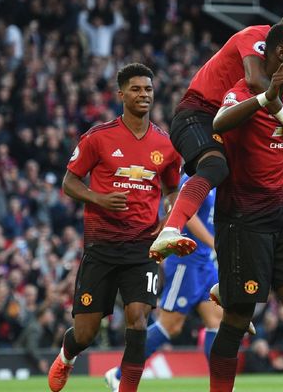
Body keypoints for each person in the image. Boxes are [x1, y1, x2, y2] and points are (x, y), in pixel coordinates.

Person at [149, 0, 283, 262]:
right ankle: (171, 228)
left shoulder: (279, 68)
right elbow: (255, 81)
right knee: (215, 167)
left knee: (253, 183)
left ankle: (233, 274)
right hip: (199, 114)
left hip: (234, 120)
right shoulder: (256, 35)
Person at [47, 63, 182, 392]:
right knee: (85, 333)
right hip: (101, 246)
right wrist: (99, 198)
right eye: (136, 89)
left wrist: (169, 221)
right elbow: (69, 181)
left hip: (142, 246)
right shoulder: (99, 137)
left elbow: (173, 190)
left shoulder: (165, 144)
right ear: (121, 94)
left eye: (148, 89)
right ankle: (67, 356)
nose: (143, 95)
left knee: (138, 319)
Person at [207, 22, 283, 392]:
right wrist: (263, 97)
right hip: (243, 218)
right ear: (280, 54)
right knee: (238, 319)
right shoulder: (244, 91)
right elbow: (219, 122)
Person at [104, 173, 224, 391]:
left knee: (216, 321)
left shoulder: (216, 177)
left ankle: (221, 386)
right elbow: (189, 215)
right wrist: (214, 243)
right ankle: (119, 374)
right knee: (170, 325)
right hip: (185, 260)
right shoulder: (192, 178)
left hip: (205, 262)